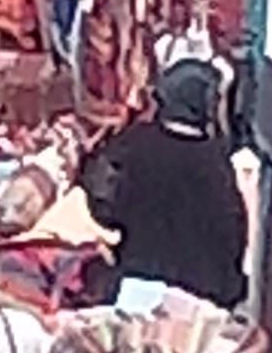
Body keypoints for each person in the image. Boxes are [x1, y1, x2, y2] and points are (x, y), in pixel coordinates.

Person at [83, 56, 249, 317]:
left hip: (137, 286)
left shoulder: (131, 146)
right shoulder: (215, 162)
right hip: (201, 298)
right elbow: (232, 232)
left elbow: (102, 205)